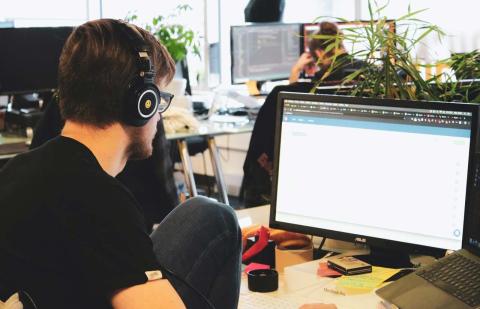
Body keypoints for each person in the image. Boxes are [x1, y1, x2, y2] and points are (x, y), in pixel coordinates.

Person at [0, 19, 242, 309]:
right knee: (219, 219)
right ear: (143, 103)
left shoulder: (16, 170)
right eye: (161, 100)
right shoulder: (97, 198)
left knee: (206, 212)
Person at [243, 21, 365, 206]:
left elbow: (285, 105)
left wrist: (295, 72)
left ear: (318, 54)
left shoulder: (317, 86)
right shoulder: (371, 76)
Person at [289, 21, 363, 84]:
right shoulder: (365, 67)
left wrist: (296, 69)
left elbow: (292, 97)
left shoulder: (322, 77)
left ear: (319, 53)